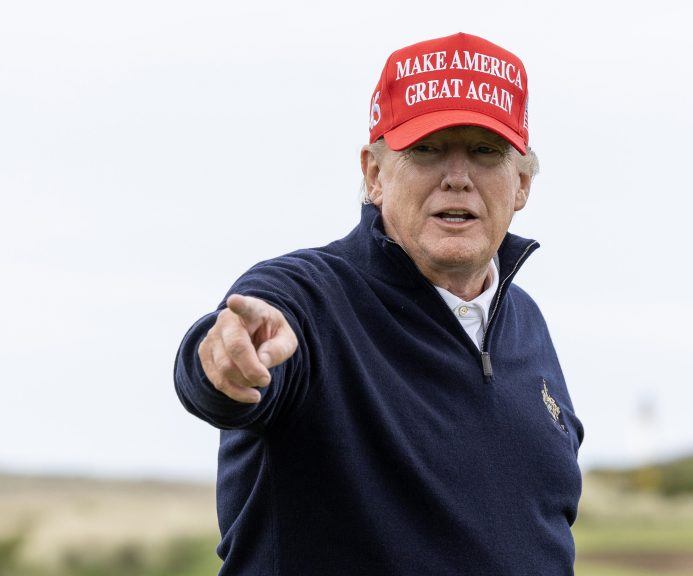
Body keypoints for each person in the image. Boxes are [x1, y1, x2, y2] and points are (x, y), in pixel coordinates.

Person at [174, 31, 585, 575]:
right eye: (426, 150)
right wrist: (221, 363)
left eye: (485, 151)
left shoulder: (526, 321)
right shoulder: (308, 298)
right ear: (374, 174)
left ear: (522, 184)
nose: (457, 178)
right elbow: (227, 360)